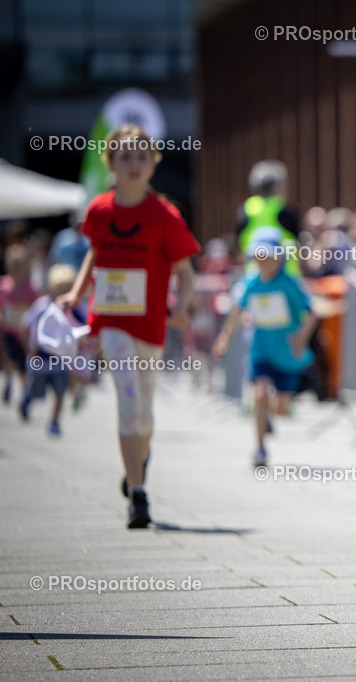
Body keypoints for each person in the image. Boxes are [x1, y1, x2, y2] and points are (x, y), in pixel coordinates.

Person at [59, 124, 199, 530]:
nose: (133, 164)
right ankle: (138, 496)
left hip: (150, 324)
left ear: (153, 163)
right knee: (128, 403)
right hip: (111, 322)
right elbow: (95, 256)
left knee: (145, 412)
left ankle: (137, 461)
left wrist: (183, 305)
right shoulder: (99, 210)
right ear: (111, 163)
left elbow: (185, 272)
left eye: (142, 156)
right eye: (124, 156)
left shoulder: (165, 215)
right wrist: (75, 293)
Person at [213, 227, 319, 467]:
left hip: (289, 354)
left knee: (281, 408)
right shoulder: (250, 283)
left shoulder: (290, 284)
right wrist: (225, 338)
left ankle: (269, 418)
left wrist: (302, 336)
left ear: (280, 257)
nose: (263, 262)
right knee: (259, 396)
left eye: (268, 257)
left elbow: (312, 313)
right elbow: (236, 310)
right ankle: (259, 449)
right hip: (261, 351)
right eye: (258, 257)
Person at [20, 264, 79, 436]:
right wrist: (29, 348)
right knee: (37, 388)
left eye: (67, 288)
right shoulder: (42, 305)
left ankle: (54, 421)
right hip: (41, 355)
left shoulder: (70, 308)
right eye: (60, 288)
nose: (63, 292)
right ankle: (27, 399)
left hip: (59, 359)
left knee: (60, 391)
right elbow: (25, 324)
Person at [236, 160, 301, 276]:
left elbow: (239, 247)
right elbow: (299, 244)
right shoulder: (285, 210)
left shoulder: (245, 211)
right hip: (286, 277)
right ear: (279, 187)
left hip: (255, 276)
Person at [1, 243, 39, 417]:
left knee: (24, 367)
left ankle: (24, 396)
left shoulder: (30, 288)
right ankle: (8, 381)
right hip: (7, 331)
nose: (15, 268)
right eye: (12, 263)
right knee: (9, 359)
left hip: (23, 334)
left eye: (19, 264)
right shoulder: (4, 285)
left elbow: (36, 308)